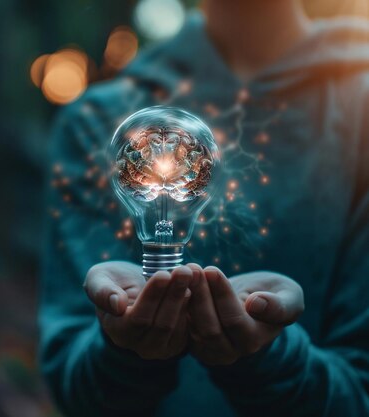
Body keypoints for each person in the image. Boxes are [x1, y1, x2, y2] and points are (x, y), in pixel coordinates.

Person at [39, 0, 369, 416]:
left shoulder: (361, 117)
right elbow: (75, 393)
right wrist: (123, 353)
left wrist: (271, 359)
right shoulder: (93, 121)